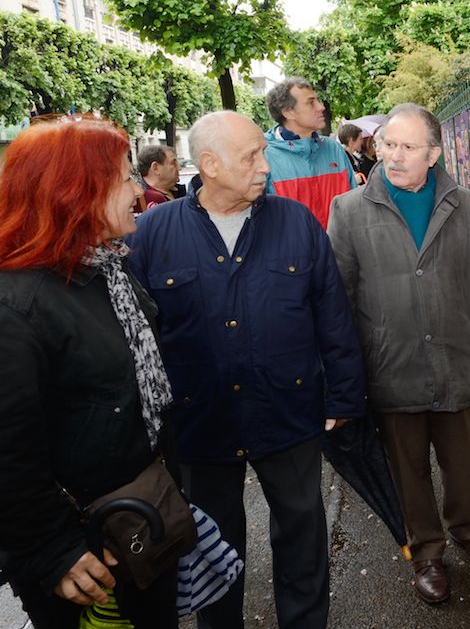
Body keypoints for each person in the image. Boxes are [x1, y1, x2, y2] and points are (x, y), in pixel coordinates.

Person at [128, 111, 366, 629]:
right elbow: (135, 339)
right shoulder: (152, 233)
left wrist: (344, 396)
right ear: (210, 165)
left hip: (289, 411)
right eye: (251, 156)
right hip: (200, 421)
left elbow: (333, 315)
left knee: (302, 532)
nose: (265, 166)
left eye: (263, 152)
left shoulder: (295, 222)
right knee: (213, 544)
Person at [0, 120, 179, 628]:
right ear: (74, 192)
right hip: (82, 549)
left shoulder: (107, 269)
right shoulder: (17, 304)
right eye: (123, 179)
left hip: (134, 517)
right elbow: (9, 449)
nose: (136, 191)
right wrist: (52, 549)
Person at [327, 103, 470, 605]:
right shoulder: (349, 210)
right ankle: (426, 551)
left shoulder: (466, 205)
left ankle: (467, 527)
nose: (394, 155)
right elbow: (337, 295)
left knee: (462, 461)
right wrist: (353, 365)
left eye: (408, 146)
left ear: (433, 153)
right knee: (407, 469)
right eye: (387, 144)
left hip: (459, 360)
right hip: (391, 367)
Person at [263, 77, 357, 228]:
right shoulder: (264, 156)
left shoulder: (334, 149)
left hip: (339, 243)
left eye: (317, 100)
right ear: (288, 112)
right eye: (311, 102)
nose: (321, 107)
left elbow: (354, 204)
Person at [138, 144, 181, 209]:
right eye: (173, 163)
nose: (179, 168)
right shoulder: (140, 201)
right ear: (155, 168)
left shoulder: (179, 192)